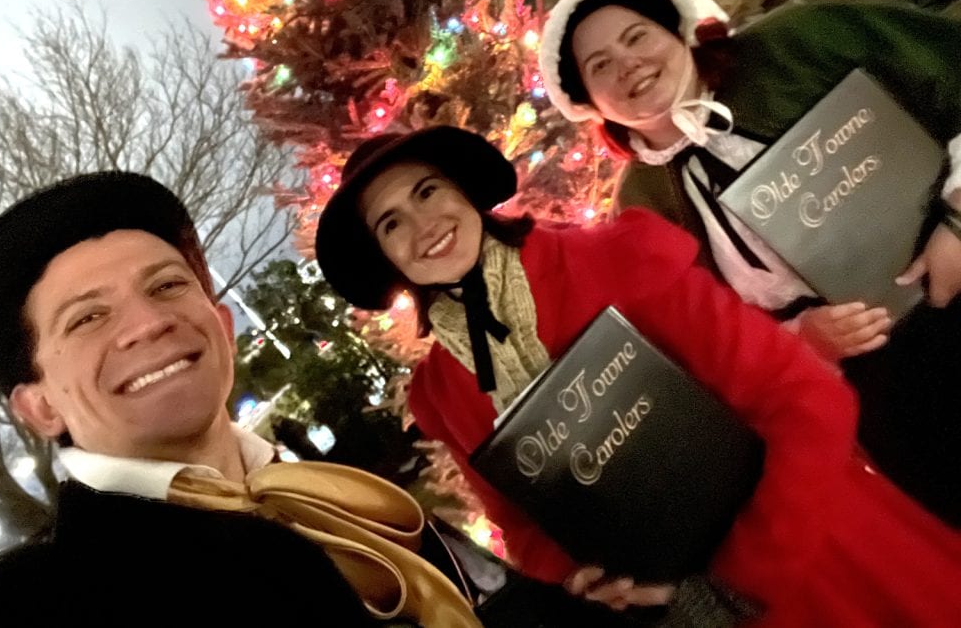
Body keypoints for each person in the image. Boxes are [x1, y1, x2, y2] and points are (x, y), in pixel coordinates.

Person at [314, 126, 961, 628]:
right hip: (674, 608)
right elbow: (523, 525)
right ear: (385, 255)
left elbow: (805, 397)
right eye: (390, 222)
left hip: (827, 559)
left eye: (426, 191)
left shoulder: (616, 255)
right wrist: (592, 584)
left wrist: (739, 580)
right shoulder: (441, 390)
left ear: (462, 190)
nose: (421, 225)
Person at [0, 171, 482, 627]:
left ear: (223, 327)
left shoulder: (348, 499)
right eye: (88, 318)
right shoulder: (16, 608)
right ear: (39, 407)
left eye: (166, 286)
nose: (150, 323)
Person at [537, 0, 961, 525]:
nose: (628, 64)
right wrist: (802, 344)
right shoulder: (640, 212)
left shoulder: (797, 43)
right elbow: (704, 349)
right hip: (893, 398)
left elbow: (948, 72)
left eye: (637, 36)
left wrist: (957, 222)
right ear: (590, 102)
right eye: (600, 66)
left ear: (676, 29)